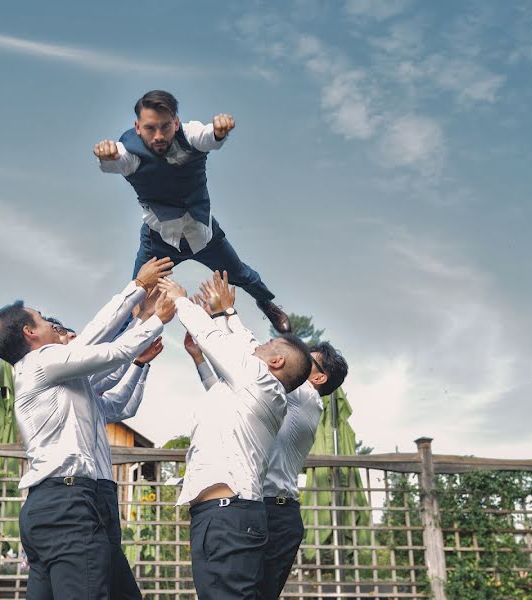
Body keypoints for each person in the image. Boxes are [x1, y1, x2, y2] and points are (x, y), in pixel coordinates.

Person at [0, 257, 174, 600]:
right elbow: (101, 347)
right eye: (43, 320)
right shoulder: (39, 361)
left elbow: (111, 388)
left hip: (64, 505)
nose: (55, 328)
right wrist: (140, 294)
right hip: (68, 504)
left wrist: (140, 344)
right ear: (30, 333)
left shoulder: (59, 379)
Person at [185, 271, 349, 599]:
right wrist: (201, 360)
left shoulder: (306, 399)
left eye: (306, 363)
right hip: (257, 507)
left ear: (317, 379)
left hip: (277, 511)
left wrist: (227, 315)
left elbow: (248, 358)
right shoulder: (277, 396)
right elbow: (233, 400)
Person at [156, 275, 312, 600]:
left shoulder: (260, 383)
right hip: (223, 515)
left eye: (264, 346)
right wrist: (210, 339)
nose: (255, 345)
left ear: (276, 361)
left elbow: (220, 340)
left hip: (227, 516)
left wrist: (183, 299)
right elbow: (220, 385)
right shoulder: (253, 392)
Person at [94, 89, 292, 334]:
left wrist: (218, 131)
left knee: (241, 273)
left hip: (203, 233)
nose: (158, 136)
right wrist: (107, 157)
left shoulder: (190, 134)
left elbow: (207, 136)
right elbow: (117, 162)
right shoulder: (129, 151)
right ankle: (112, 338)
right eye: (149, 128)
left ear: (176, 123)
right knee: (136, 292)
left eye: (166, 127)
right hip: (159, 241)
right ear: (137, 127)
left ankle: (266, 303)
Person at [44, 291, 167, 600]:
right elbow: (108, 364)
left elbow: (122, 406)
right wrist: (143, 320)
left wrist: (139, 365)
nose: (71, 334)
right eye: (62, 332)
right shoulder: (57, 379)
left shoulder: (84, 391)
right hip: (76, 491)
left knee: (106, 577)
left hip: (100, 490)